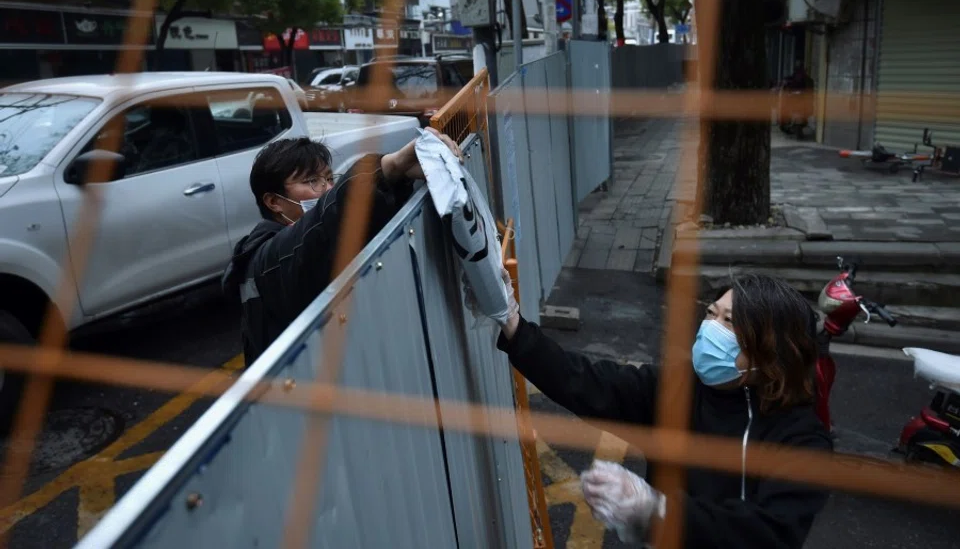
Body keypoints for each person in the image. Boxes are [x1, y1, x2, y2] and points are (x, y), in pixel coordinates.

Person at [496, 273, 832, 549]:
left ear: (771, 349)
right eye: (711, 314)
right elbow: (588, 382)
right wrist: (514, 326)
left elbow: (771, 534)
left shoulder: (801, 439)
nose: (711, 329)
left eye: (729, 322)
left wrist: (657, 510)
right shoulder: (678, 390)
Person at [223, 128, 460, 367]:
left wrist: (401, 179)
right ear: (274, 202)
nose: (326, 188)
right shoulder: (267, 259)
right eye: (311, 181)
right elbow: (325, 221)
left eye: (328, 178)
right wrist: (391, 167)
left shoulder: (313, 241)